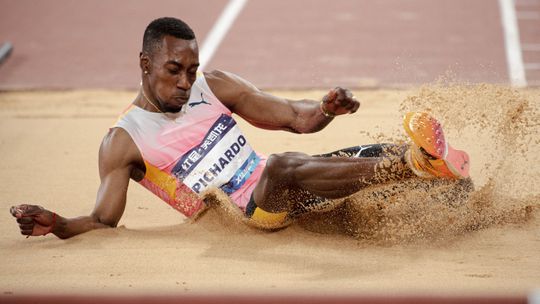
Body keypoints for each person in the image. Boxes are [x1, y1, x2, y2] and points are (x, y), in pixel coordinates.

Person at [10, 17, 470, 239]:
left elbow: (297, 117)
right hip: (247, 218)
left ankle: (453, 189)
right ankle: (417, 165)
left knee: (365, 154)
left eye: (192, 69)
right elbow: (103, 220)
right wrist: (58, 225)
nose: (186, 82)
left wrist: (328, 108)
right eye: (174, 70)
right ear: (145, 64)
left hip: (285, 184)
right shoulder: (124, 140)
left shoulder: (214, 85)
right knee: (283, 166)